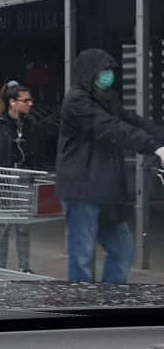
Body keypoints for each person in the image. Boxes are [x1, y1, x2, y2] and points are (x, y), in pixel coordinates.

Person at [57, 48, 164, 284]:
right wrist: (153, 147)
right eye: (103, 70)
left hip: (105, 189)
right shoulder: (77, 101)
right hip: (81, 188)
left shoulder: (107, 99)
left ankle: (110, 298)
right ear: (89, 73)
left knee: (123, 249)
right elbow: (110, 128)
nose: (108, 75)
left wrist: (160, 137)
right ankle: (81, 305)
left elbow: (130, 120)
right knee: (82, 255)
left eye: (110, 70)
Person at [0, 81, 44, 273]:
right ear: (13, 102)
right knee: (3, 227)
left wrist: (34, 173)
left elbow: (37, 153)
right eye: (26, 100)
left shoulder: (32, 125)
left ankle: (24, 267)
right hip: (3, 179)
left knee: (24, 226)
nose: (31, 103)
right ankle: (1, 267)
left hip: (24, 178)